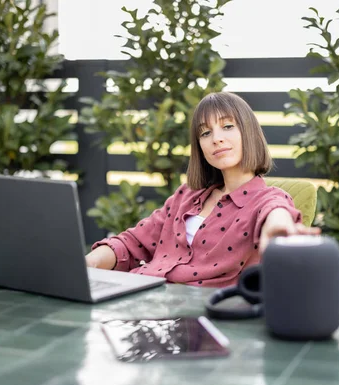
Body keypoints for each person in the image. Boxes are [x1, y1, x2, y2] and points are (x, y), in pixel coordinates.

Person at [85, 92, 320, 287]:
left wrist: (279, 230)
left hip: (200, 316)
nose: (216, 139)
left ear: (248, 133)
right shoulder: (185, 196)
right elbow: (132, 242)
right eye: (205, 133)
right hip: (142, 299)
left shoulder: (267, 199)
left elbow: (275, 212)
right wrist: (89, 263)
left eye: (227, 126)